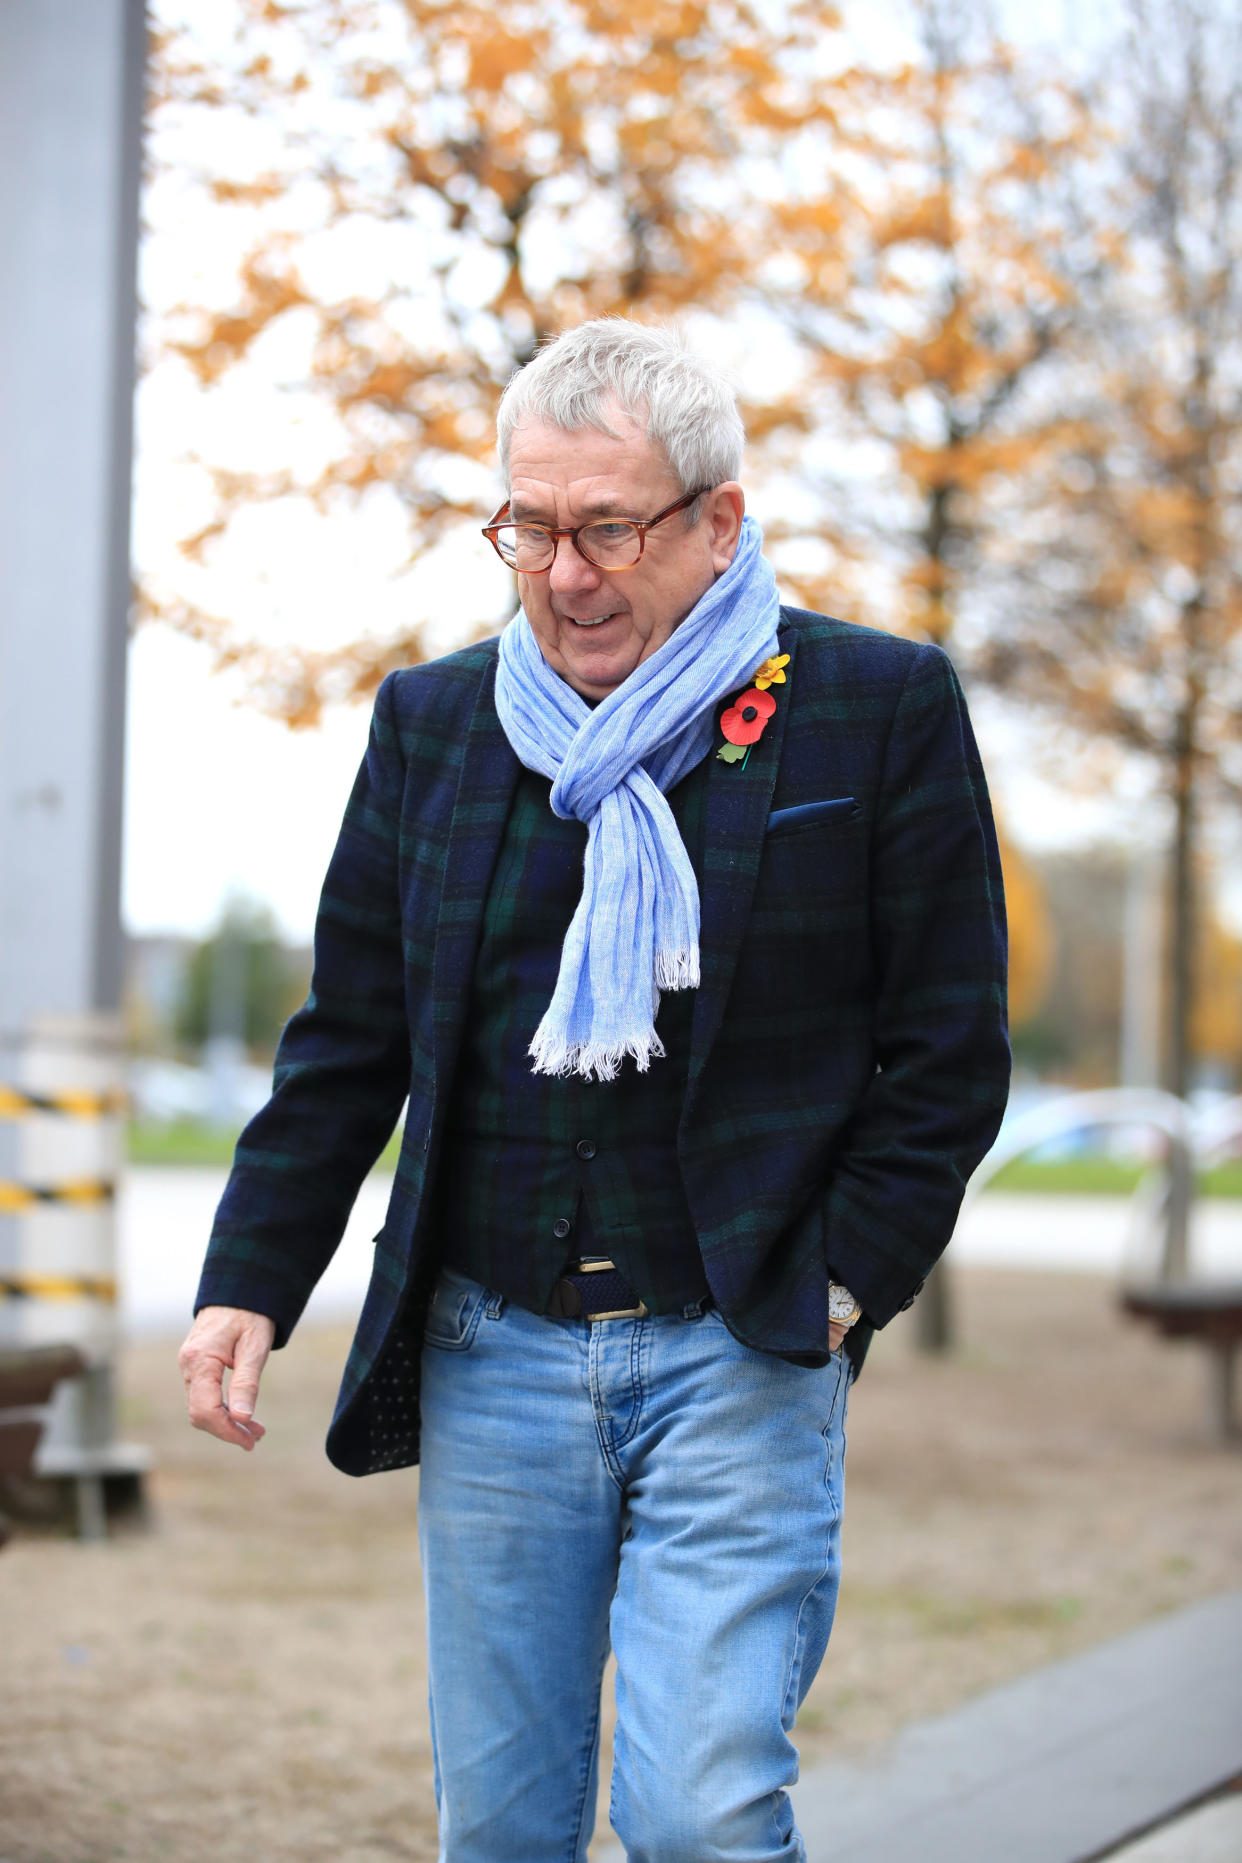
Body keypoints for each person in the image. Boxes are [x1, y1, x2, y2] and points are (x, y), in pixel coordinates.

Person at [179, 318, 1010, 1862]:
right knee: (499, 1828)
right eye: (530, 529)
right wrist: (250, 1280)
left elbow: (946, 1050)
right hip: (489, 1347)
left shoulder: (873, 706)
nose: (564, 574)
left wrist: (837, 1290)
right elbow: (351, 1038)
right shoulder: (432, 725)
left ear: (717, 520)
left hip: (742, 1348)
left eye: (608, 529)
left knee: (698, 1815)